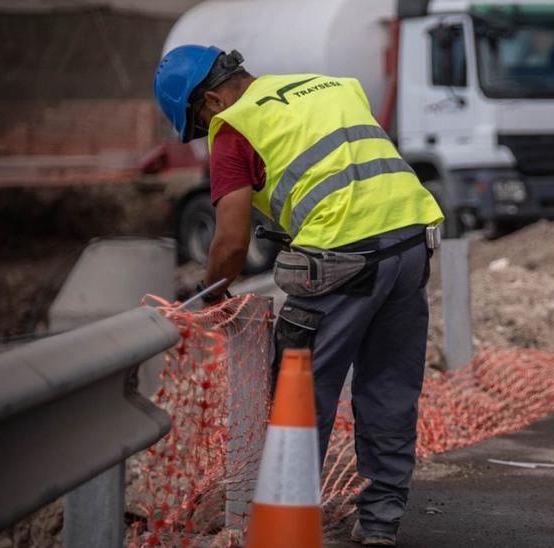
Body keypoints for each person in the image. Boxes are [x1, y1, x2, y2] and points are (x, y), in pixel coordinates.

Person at [153, 45, 444, 546]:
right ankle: (380, 523)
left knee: (297, 396)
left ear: (209, 103)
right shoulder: (331, 85)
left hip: (342, 258)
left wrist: (210, 298)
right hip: (412, 241)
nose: (206, 139)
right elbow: (349, 170)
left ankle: (287, 526)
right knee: (389, 390)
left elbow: (229, 242)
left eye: (199, 126)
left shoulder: (233, 127)